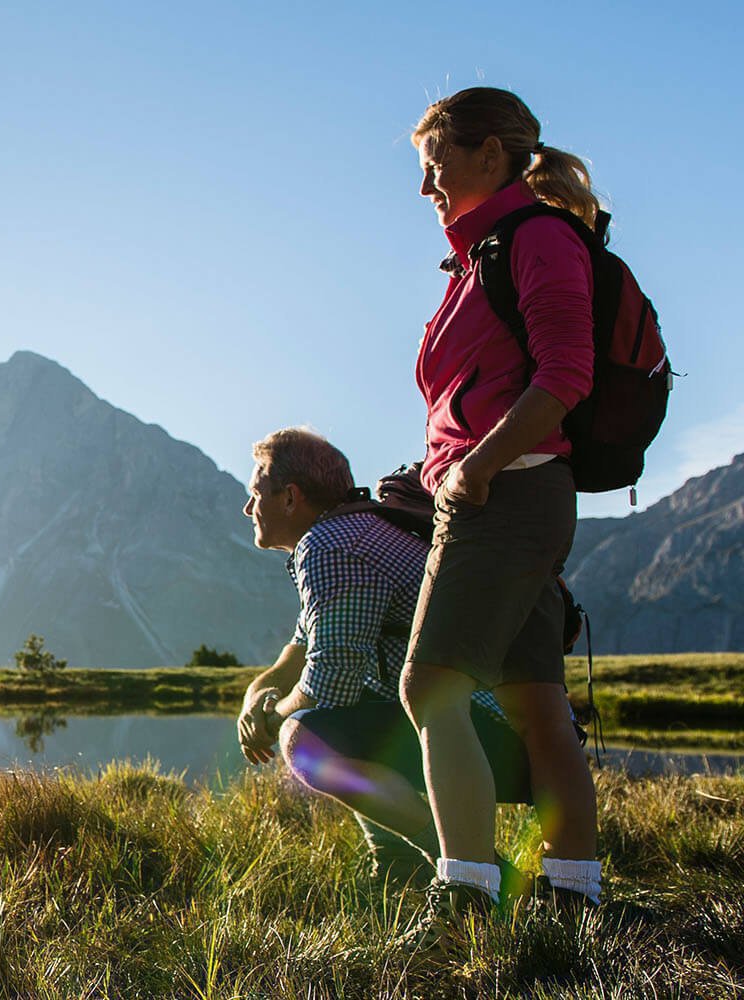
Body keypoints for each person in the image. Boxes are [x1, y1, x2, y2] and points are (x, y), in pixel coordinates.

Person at [398, 87, 603, 946]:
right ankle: (573, 894)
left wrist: (473, 470)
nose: (426, 186)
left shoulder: (537, 239)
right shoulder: (485, 252)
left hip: (505, 493)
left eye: (434, 163)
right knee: (534, 700)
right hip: (508, 489)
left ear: (490, 154)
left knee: (429, 687)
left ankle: (470, 898)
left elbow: (566, 375)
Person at [234, 428, 533, 889]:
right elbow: (297, 653)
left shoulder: (332, 546)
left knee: (307, 739)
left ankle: (479, 872)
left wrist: (273, 720)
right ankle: (397, 864)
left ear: (291, 497)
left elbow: (330, 682)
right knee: (340, 721)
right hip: (502, 730)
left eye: (256, 495)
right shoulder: (355, 532)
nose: (248, 509)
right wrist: (253, 702)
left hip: (481, 737)